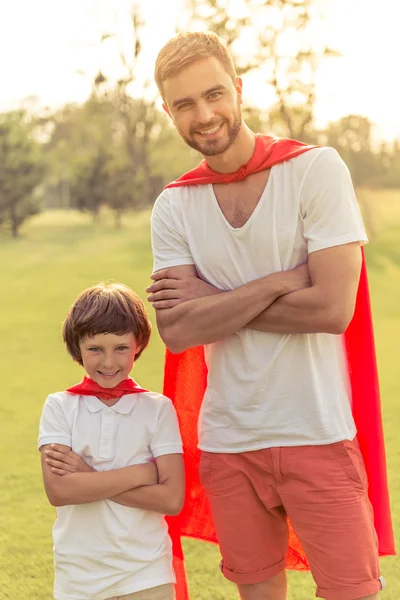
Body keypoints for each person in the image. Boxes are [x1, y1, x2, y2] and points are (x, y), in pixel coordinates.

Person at [147, 31, 394, 600]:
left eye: (213, 94)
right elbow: (179, 329)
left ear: (237, 88)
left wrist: (214, 298)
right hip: (228, 442)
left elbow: (332, 308)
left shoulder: (314, 170)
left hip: (318, 432)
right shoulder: (175, 205)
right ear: (168, 112)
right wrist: (284, 281)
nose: (204, 115)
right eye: (184, 104)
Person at [38, 282, 184, 600]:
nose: (108, 362)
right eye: (95, 349)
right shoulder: (60, 406)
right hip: (79, 576)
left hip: (146, 574)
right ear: (78, 348)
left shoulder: (157, 409)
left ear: (138, 345)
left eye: (120, 348)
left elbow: (172, 500)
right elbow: (60, 491)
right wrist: (145, 474)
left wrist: (90, 478)